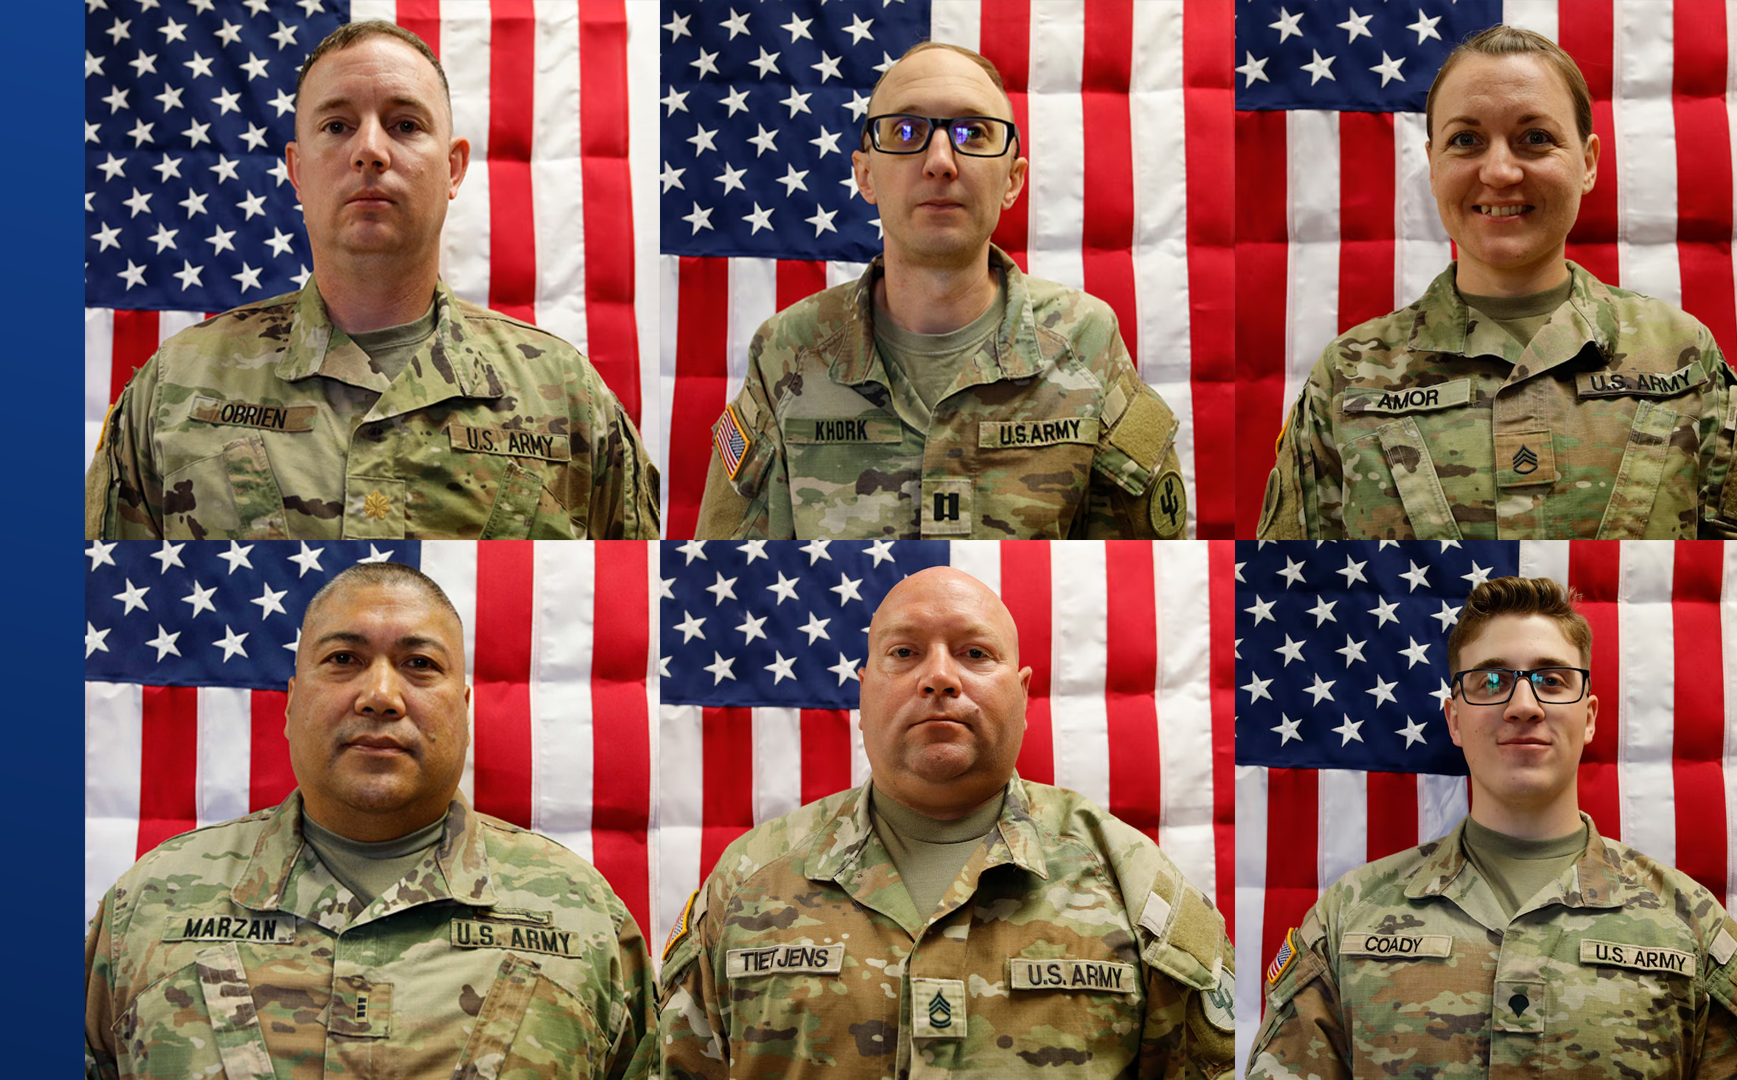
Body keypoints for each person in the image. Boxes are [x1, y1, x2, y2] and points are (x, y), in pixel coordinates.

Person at [85, 21, 658, 540]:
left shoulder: (570, 396)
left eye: (405, 125)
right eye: (337, 125)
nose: (370, 151)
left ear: (453, 168)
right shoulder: (175, 386)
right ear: (297, 169)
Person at [85, 563, 656, 1079]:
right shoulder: (149, 905)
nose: (381, 695)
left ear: (464, 708)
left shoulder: (582, 917)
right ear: (289, 702)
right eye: (343, 660)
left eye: (419, 664)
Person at [657, 567, 1233, 1077]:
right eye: (904, 653)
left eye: (975, 654)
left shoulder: (1134, 885)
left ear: (1024, 694)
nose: (939, 677)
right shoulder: (750, 879)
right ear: (862, 694)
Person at [1247, 577, 1737, 1080]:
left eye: (1552, 680)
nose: (1524, 705)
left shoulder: (1690, 926)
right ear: (1454, 719)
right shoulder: (1349, 917)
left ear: (1589, 717)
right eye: (1491, 680)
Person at [1256, 25, 1737, 541]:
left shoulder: (1681, 355)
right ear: (1434, 166)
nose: (1500, 171)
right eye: (1465, 139)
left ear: (1587, 163)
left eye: (1535, 138)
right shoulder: (1349, 375)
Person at [694, 41, 1187, 540]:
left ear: (1013, 181)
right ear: (865, 174)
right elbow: (735, 572)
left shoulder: (1085, 343)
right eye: (906, 132)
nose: (940, 162)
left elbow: (1142, 562)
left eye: (973, 133)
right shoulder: (787, 352)